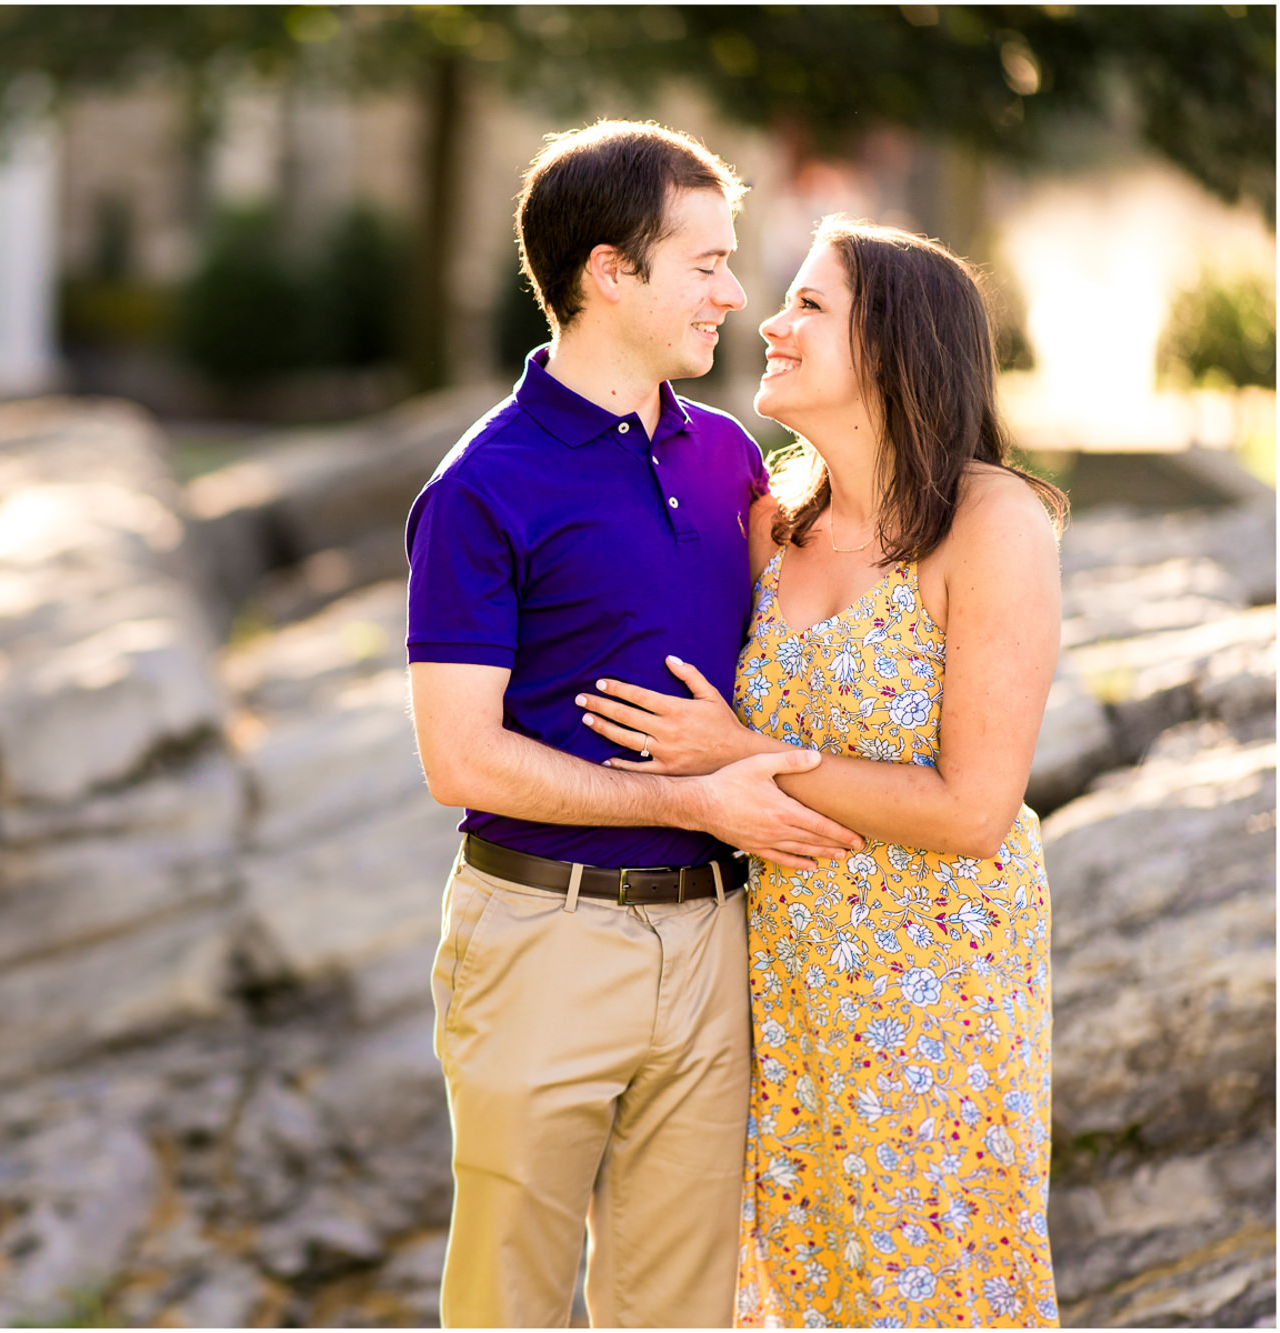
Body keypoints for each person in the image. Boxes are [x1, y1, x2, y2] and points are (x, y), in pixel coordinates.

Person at [402, 120, 866, 1327]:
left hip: (717, 942)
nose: (732, 291)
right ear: (610, 272)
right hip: (538, 937)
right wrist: (683, 796)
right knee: (508, 1292)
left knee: (678, 1302)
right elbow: (458, 755)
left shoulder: (729, 459)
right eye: (704, 262)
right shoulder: (478, 488)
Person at [569, 219, 1065, 1326]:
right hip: (780, 973)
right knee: (794, 1278)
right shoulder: (771, 520)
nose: (770, 321)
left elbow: (975, 810)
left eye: (808, 305)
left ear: (891, 345)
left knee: (926, 1277)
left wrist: (740, 755)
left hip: (935, 980)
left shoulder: (993, 523)